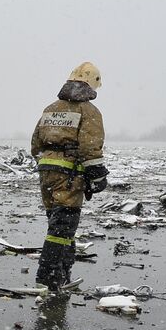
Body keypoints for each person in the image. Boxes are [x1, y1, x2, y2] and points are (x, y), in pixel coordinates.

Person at [30, 63, 108, 290]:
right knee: (62, 227)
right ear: (92, 84)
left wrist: (48, 165)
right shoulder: (89, 111)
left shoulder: (51, 108)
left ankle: (63, 273)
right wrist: (98, 177)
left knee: (57, 224)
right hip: (70, 175)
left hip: (46, 174)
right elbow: (90, 148)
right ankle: (49, 278)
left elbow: (35, 144)